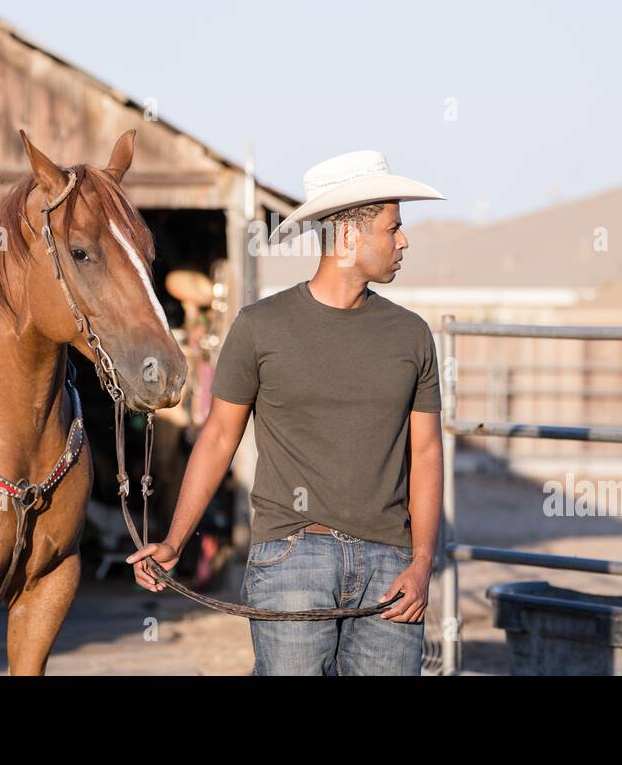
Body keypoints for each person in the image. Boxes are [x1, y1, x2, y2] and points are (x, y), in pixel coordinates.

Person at [128, 149, 446, 675]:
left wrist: (421, 562)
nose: (404, 241)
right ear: (348, 237)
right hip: (293, 560)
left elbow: (427, 451)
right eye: (394, 228)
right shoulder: (260, 327)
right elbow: (217, 437)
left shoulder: (411, 335)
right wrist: (176, 540)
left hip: (391, 566)